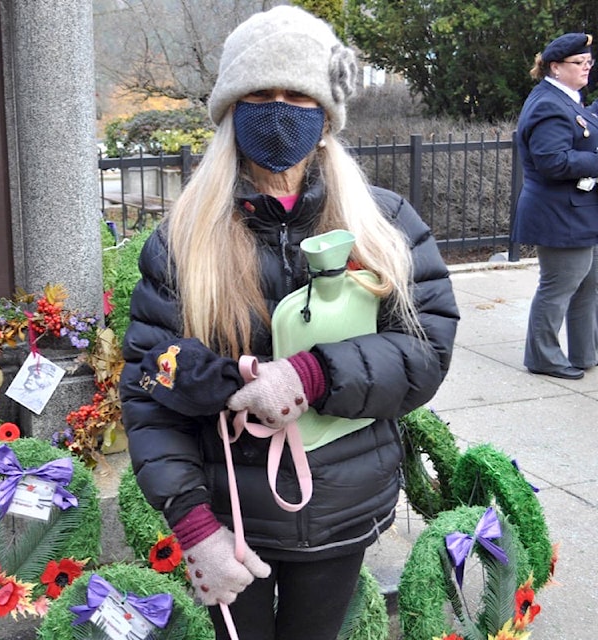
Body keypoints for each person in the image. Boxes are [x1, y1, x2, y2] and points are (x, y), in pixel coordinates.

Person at [118, 7, 458, 640]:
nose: (279, 110)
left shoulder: (383, 225)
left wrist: (309, 373)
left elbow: (424, 349)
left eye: (297, 95)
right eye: (260, 95)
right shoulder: (183, 242)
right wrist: (194, 526)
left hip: (340, 503)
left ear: (325, 115)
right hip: (230, 517)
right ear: (230, 111)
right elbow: (150, 384)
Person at [512, 33, 598, 380]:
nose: (586, 68)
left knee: (588, 285)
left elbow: (584, 130)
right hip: (559, 213)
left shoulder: (568, 98)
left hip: (578, 210)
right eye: (579, 63)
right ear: (555, 67)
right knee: (559, 287)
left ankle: (585, 352)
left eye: (589, 63)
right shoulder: (548, 103)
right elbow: (553, 161)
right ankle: (543, 357)